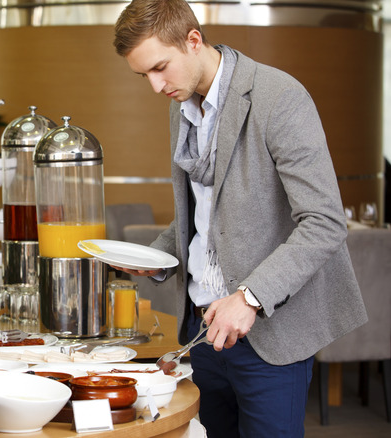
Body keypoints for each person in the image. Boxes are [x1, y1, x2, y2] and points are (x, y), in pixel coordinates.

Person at [112, 1, 367, 436]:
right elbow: (204, 215)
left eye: (159, 68)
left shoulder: (279, 97)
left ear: (193, 41)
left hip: (267, 333)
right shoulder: (181, 104)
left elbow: (324, 221)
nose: (155, 86)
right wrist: (155, 257)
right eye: (144, 76)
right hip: (200, 332)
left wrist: (248, 298)